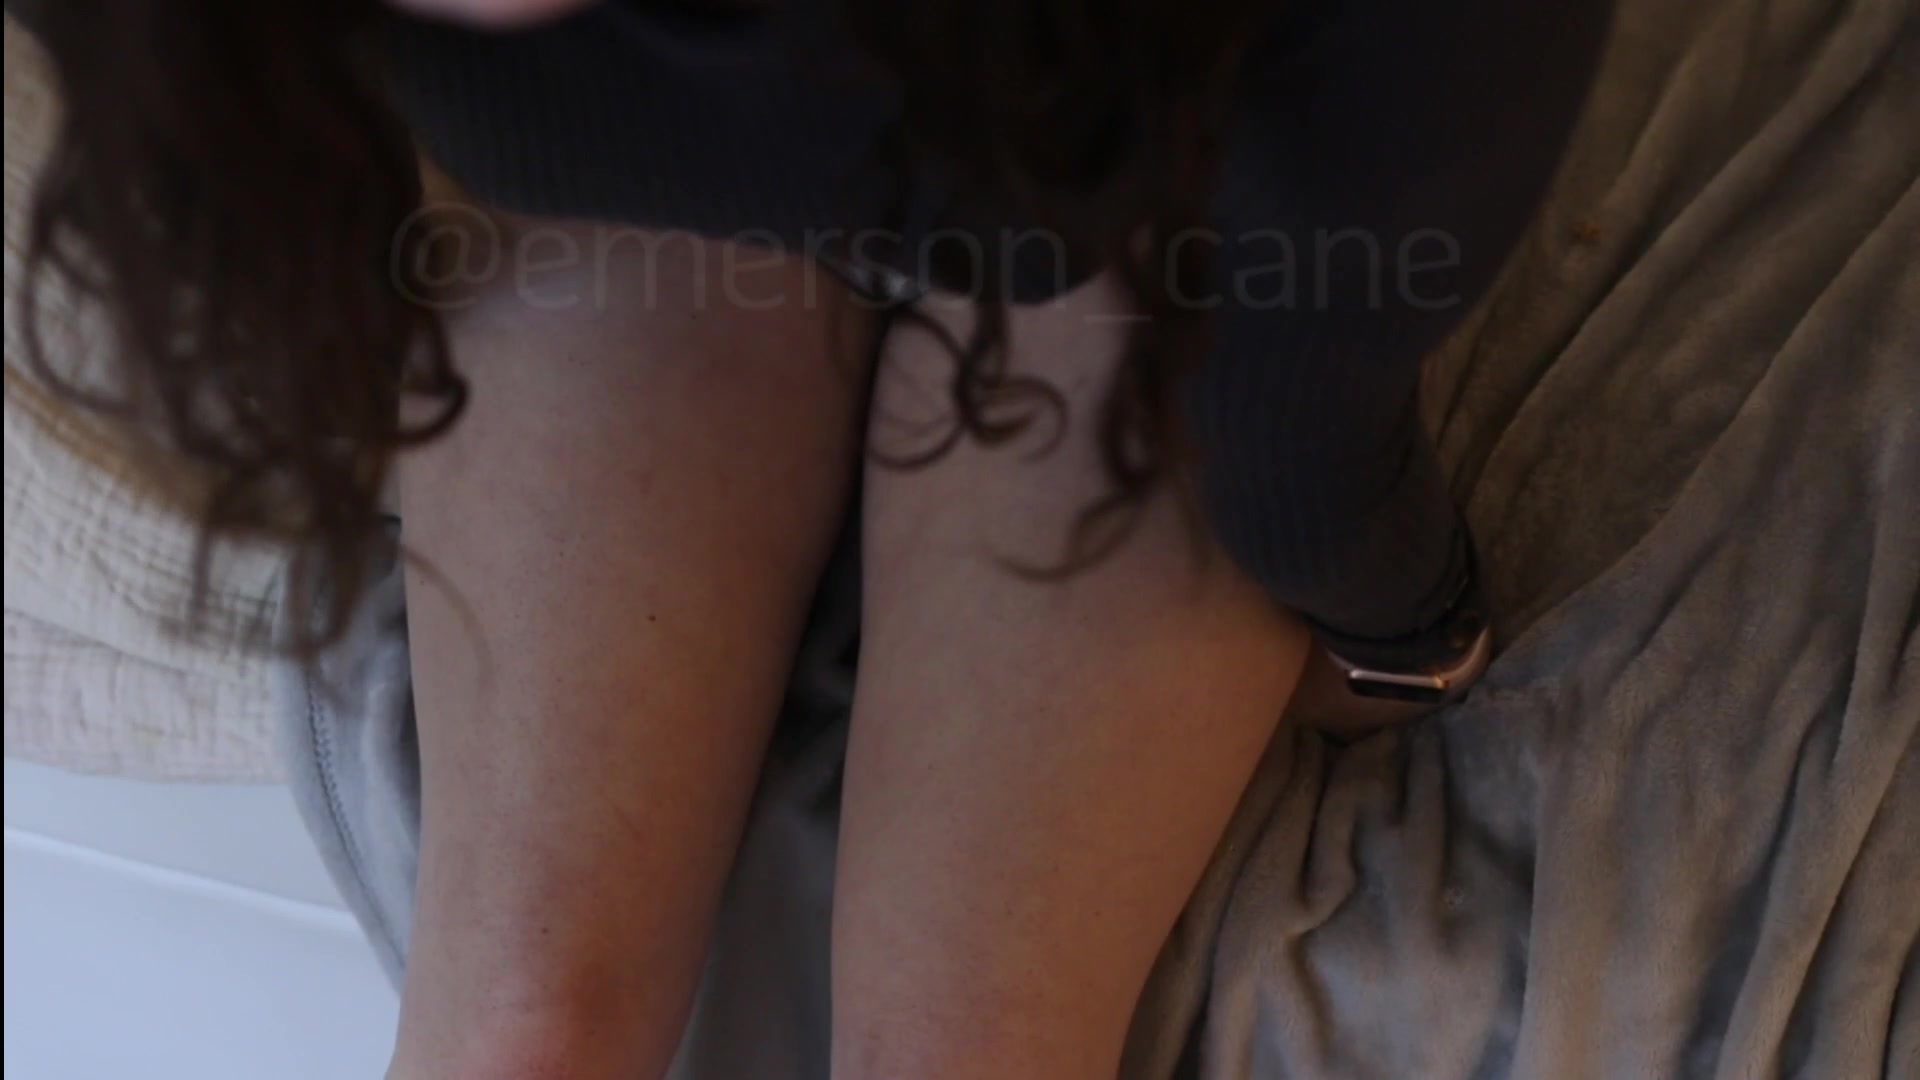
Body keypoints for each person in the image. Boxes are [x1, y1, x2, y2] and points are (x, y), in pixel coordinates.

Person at [18, 0, 1609, 1076]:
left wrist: (1404, 626)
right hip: (636, 187)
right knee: (518, 1043)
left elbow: (1290, 427)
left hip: (1141, 187)